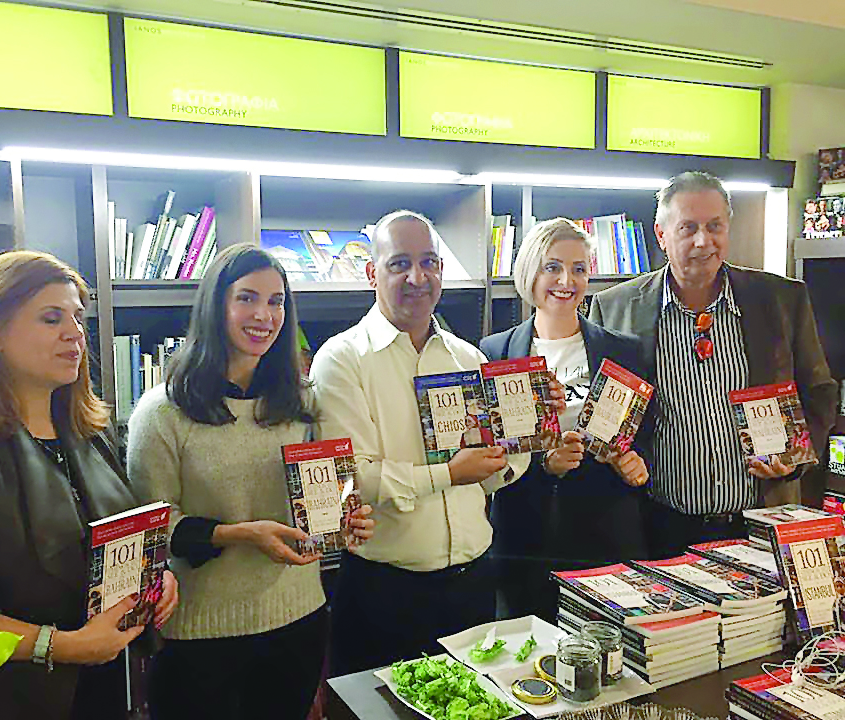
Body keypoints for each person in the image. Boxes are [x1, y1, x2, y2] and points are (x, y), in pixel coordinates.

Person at [0, 251, 179, 720]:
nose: (74, 332)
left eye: (78, 318)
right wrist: (61, 646)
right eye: (50, 318)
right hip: (12, 701)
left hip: (103, 687)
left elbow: (118, 539)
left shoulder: (90, 437)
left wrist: (156, 577)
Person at [126, 244, 374, 720]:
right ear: (216, 305)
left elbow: (325, 492)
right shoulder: (162, 413)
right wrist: (242, 534)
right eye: (247, 298)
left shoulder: (304, 403)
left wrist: (348, 516)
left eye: (277, 301)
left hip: (297, 621)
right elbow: (152, 531)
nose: (264, 314)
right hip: (200, 636)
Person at [310, 210, 528, 675]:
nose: (417, 277)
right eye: (399, 263)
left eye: (429, 262)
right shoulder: (342, 358)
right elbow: (354, 479)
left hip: (472, 586)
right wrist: (450, 473)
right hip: (385, 593)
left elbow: (490, 479)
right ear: (372, 273)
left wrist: (525, 430)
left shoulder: (467, 356)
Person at [588, 171, 838, 557]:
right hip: (662, 526)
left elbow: (820, 390)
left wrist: (796, 459)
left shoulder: (782, 299)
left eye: (714, 226)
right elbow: (611, 412)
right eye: (688, 227)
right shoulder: (615, 307)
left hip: (761, 521)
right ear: (661, 235)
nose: (703, 241)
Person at [480, 218, 650, 621]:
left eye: (578, 268)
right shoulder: (495, 352)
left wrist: (637, 462)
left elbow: (648, 437)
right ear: (530, 273)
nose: (566, 280)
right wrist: (544, 465)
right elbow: (490, 454)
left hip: (606, 536)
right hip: (525, 540)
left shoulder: (624, 351)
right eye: (552, 267)